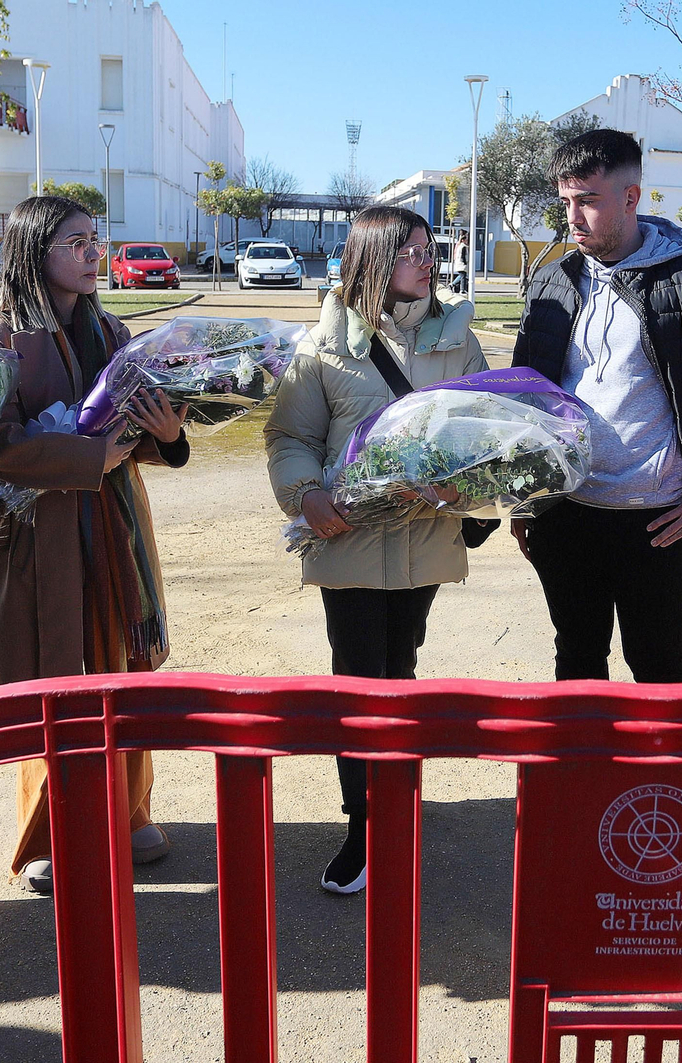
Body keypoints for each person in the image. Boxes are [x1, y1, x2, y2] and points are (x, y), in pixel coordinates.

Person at [0, 196, 190, 893]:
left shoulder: (111, 328)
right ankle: (48, 830)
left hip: (116, 526)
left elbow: (141, 429)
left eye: (96, 239)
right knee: (54, 674)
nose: (94, 254)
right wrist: (88, 458)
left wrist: (169, 433)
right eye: (76, 242)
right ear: (35, 251)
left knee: (124, 664)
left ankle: (130, 810)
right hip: (44, 536)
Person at [265, 206, 487, 894]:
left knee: (401, 668)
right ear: (374, 260)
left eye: (429, 249)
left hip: (425, 539)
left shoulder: (458, 339)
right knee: (358, 679)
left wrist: (463, 486)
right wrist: (306, 495)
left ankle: (397, 804)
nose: (428, 261)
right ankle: (362, 824)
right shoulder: (324, 345)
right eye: (411, 252)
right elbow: (291, 436)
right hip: (348, 542)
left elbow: (486, 431)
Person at [509, 128, 682, 684]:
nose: (573, 217)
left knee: (660, 671)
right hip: (566, 514)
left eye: (588, 200)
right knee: (577, 664)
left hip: (657, 521)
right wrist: (521, 496)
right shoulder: (552, 282)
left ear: (631, 197)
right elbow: (523, 396)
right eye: (566, 201)